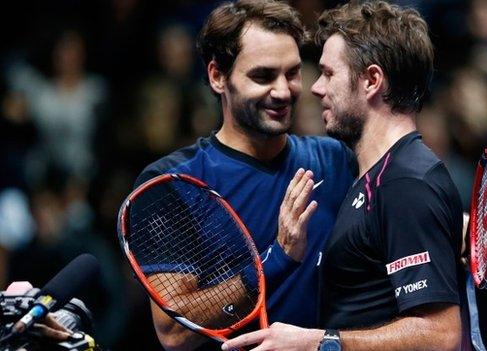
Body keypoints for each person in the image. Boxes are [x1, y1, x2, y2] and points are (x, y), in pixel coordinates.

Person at [223, 2, 467, 350]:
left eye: (328, 73)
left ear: (371, 80)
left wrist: (318, 343)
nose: (316, 88)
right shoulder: (379, 176)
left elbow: (439, 336)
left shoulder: (404, 184)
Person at [133, 1, 355, 350]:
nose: (283, 91)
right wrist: (276, 261)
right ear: (217, 77)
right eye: (263, 76)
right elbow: (174, 332)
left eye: (292, 73)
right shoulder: (173, 183)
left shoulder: (338, 158)